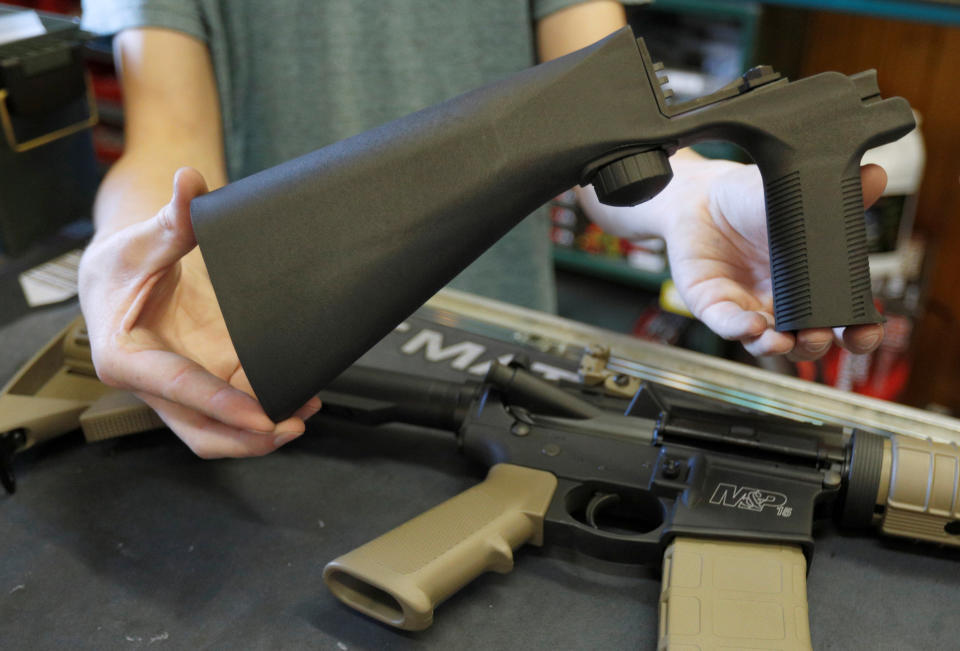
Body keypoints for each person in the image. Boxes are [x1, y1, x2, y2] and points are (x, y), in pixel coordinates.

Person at [77, 0, 888, 459]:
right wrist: (137, 258)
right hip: (290, 377)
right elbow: (169, 145)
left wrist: (692, 196)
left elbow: (601, 121)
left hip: (511, 369)